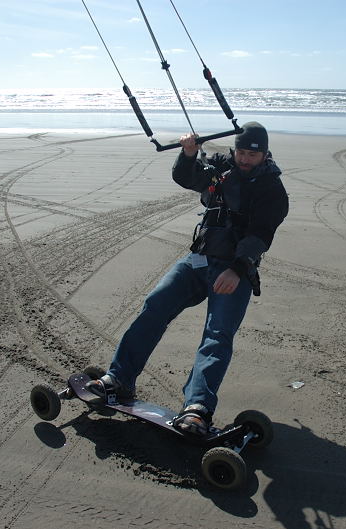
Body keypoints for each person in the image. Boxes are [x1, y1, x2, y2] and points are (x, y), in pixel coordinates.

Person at [87, 121, 289, 436]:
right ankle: (120, 378)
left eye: (254, 154)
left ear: (265, 153)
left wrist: (237, 269)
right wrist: (188, 154)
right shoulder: (221, 167)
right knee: (155, 305)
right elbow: (186, 177)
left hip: (233, 271)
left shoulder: (272, 189)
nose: (246, 159)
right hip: (198, 261)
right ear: (234, 149)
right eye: (242, 152)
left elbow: (261, 234)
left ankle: (197, 408)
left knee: (217, 335)